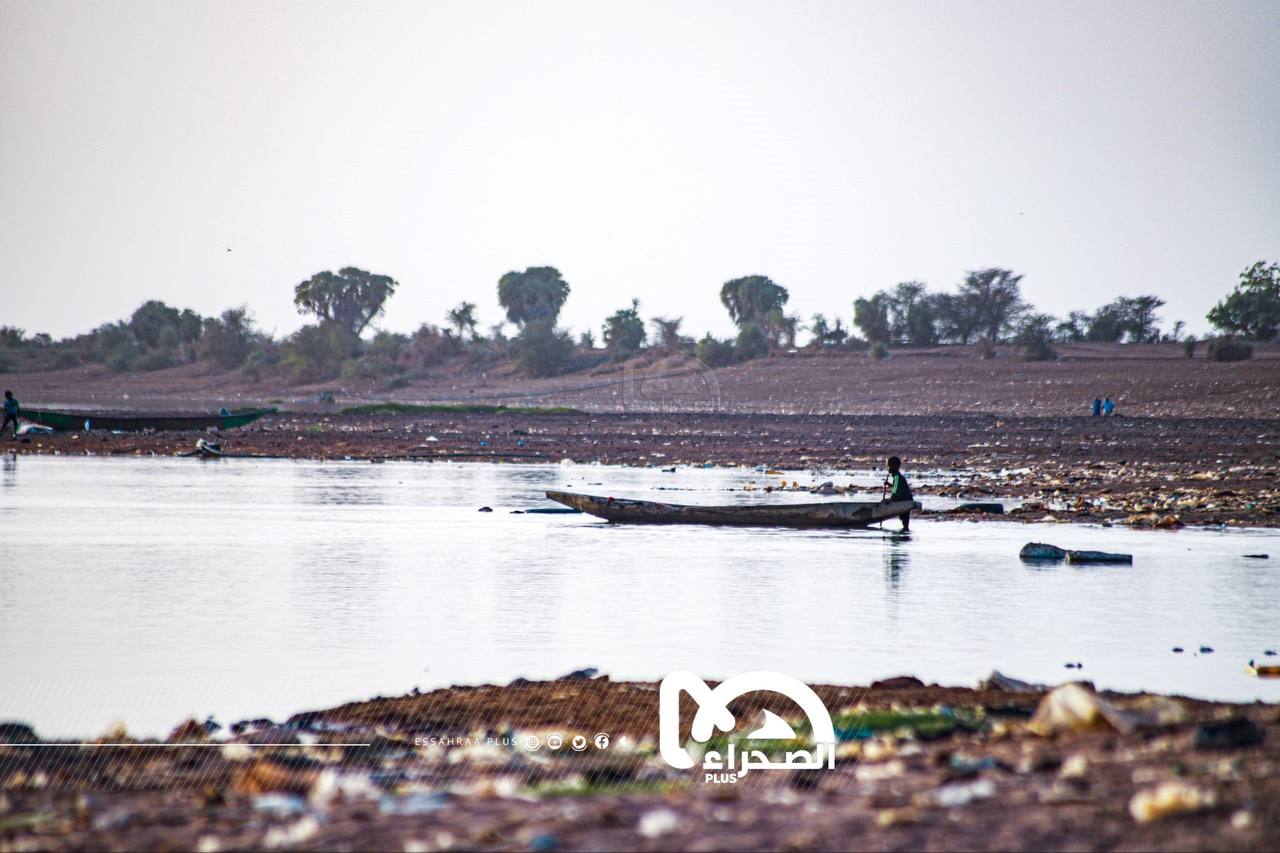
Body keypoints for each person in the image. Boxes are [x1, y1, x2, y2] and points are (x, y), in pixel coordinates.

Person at [884, 455, 913, 531]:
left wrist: (890, 500)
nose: (888, 468)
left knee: (904, 521)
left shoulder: (897, 477)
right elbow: (897, 487)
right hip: (907, 500)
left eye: (888, 466)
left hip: (904, 501)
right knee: (905, 523)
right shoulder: (898, 477)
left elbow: (896, 492)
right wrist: (890, 485)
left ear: (893, 466)